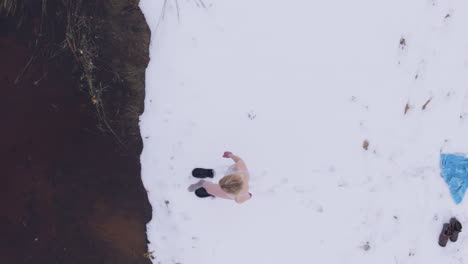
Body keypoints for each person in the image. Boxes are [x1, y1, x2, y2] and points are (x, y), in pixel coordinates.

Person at [188, 151, 252, 203]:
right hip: (230, 171)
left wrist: (248, 196)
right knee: (222, 171)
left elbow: (240, 200)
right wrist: (230, 155)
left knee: (210, 189)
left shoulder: (239, 195)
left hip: (230, 194)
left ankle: (203, 183)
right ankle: (212, 173)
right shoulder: (242, 170)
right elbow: (239, 160)